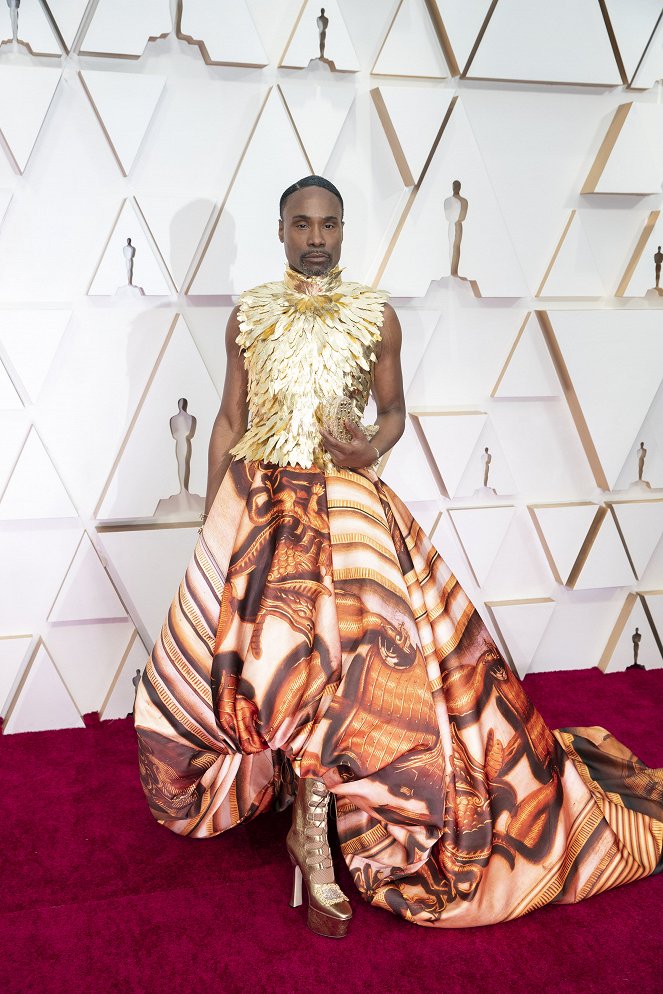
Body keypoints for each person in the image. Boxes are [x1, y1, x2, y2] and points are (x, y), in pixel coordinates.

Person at [133, 175, 663, 939]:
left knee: (354, 666)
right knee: (266, 658)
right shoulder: (247, 314)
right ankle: (292, 786)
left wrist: (368, 447)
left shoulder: (376, 317)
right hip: (262, 503)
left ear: (344, 231)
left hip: (348, 508)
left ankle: (314, 824)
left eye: (330, 225)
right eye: (302, 224)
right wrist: (216, 519)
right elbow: (227, 418)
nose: (316, 237)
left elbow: (393, 416)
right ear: (279, 230)